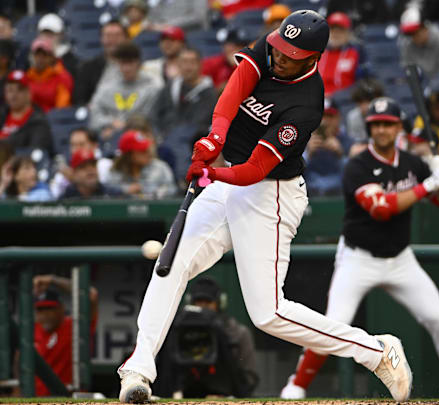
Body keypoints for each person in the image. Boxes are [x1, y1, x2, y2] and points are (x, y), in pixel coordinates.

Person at [118, 11, 413, 404]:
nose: (279, 57)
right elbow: (236, 86)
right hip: (229, 181)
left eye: (291, 55)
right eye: (278, 48)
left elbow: (255, 169)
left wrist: (213, 176)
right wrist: (214, 139)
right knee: (171, 264)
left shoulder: (306, 105)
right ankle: (138, 370)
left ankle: (377, 352)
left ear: (312, 59)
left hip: (270, 194)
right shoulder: (273, 47)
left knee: (268, 314)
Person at [280, 97, 439, 400]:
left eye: (388, 124)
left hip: (400, 258)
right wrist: (428, 184)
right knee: (334, 324)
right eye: (377, 125)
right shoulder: (357, 166)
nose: (383, 130)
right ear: (369, 129)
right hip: (358, 258)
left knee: (438, 319)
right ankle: (297, 385)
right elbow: (381, 209)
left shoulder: (413, 164)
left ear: (399, 127)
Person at [155, 277, 259, 397]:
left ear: (219, 303)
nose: (203, 307)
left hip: (224, 395)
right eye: (198, 302)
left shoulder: (237, 332)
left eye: (208, 302)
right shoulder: (175, 330)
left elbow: (249, 378)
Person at [33, 275, 98, 396]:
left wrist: (53, 280)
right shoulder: (32, 330)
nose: (45, 314)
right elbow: (19, 362)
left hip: (68, 396)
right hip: (37, 398)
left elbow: (91, 295)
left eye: (49, 308)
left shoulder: (74, 326)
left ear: (61, 309)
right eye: (40, 309)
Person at [89, 42, 163, 139]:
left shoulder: (152, 88)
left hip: (141, 137)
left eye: (130, 63)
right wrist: (110, 123)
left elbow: (149, 118)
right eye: (123, 63)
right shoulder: (105, 88)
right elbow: (94, 115)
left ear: (138, 63)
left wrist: (119, 128)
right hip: (109, 136)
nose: (126, 68)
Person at [0, 70, 54, 154]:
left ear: (29, 93)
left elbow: (36, 150)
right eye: (10, 90)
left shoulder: (39, 121)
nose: (13, 95)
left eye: (19, 90)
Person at [151, 47, 218, 136]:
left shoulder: (209, 93)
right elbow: (154, 114)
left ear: (200, 65)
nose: (188, 67)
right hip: (164, 138)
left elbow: (198, 124)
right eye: (184, 62)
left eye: (192, 62)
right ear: (178, 64)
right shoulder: (171, 86)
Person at [107, 129, 177, 199]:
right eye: (142, 151)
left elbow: (172, 189)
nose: (148, 153)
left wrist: (155, 193)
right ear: (130, 155)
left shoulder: (160, 167)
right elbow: (107, 190)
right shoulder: (117, 170)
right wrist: (126, 190)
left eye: (147, 149)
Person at [73, 20, 129, 106]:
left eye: (117, 35)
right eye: (108, 36)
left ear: (126, 38)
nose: (113, 40)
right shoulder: (87, 68)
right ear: (101, 39)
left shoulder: (135, 66)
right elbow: (80, 101)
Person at [50, 128, 113, 199]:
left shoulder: (105, 164)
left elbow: (98, 186)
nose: (76, 149)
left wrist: (73, 177)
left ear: (94, 145)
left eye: (81, 144)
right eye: (73, 145)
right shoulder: (63, 174)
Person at [319, 12, 369, 96]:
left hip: (345, 101)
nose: (336, 34)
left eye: (340, 31)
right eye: (333, 30)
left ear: (348, 33)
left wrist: (336, 96)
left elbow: (362, 82)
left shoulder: (356, 52)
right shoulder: (317, 52)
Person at [398, 7, 439, 79]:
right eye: (409, 34)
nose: (413, 37)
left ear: (425, 27)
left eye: (415, 33)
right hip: (418, 85)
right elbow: (407, 71)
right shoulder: (407, 43)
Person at [25, 38, 73, 112]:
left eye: (44, 55)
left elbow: (62, 107)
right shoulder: (26, 78)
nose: (40, 59)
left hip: (52, 119)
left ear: (51, 57)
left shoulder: (61, 77)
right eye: (37, 55)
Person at [201, 27, 250, 93]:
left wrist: (236, 65)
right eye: (233, 45)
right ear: (224, 46)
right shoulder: (213, 63)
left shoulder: (249, 63)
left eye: (240, 45)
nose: (237, 49)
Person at [37, 13, 78, 82]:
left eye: (51, 35)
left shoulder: (71, 61)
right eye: (44, 34)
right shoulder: (33, 58)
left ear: (61, 35)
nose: (47, 38)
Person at [346, 78, 385, 151]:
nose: (366, 106)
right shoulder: (353, 117)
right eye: (361, 102)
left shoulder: (391, 112)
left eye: (369, 100)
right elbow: (357, 144)